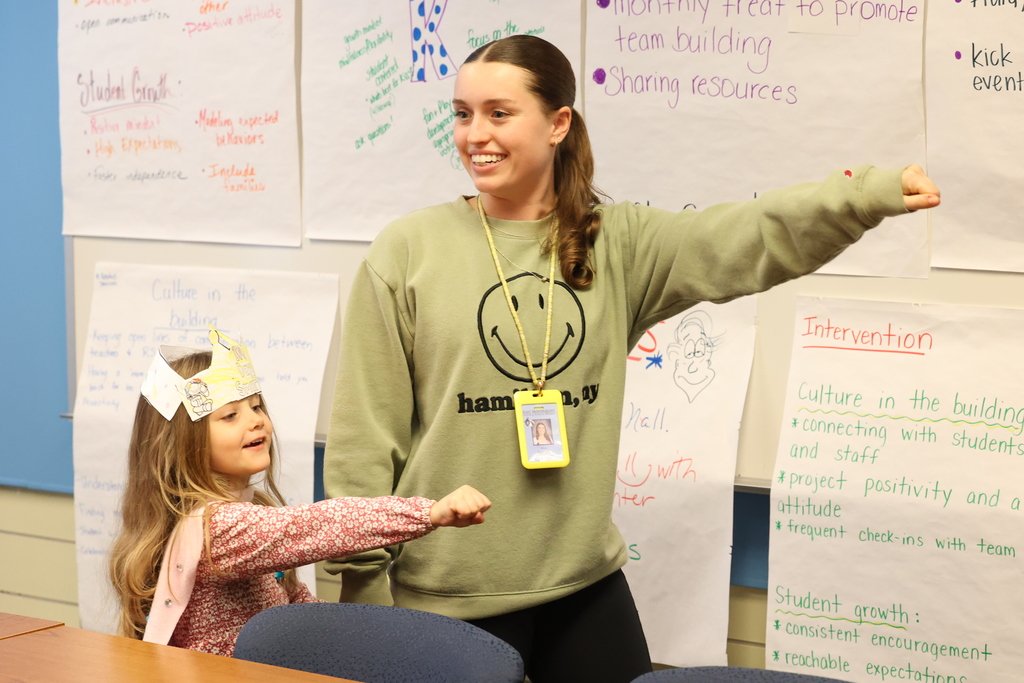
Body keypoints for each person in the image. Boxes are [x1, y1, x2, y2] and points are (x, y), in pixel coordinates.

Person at [322, 35, 940, 683]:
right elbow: (366, 435)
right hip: (444, 595)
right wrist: (360, 589)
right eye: (462, 114)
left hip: (583, 583)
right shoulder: (408, 252)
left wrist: (864, 194)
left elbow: (746, 234)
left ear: (558, 123)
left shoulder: (614, 242)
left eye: (499, 113)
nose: (476, 134)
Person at [108, 329, 491, 658]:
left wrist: (359, 632)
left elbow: (288, 603)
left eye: (256, 406)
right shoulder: (220, 528)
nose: (256, 420)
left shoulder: (242, 510)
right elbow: (321, 525)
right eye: (230, 415)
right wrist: (428, 513)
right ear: (182, 442)